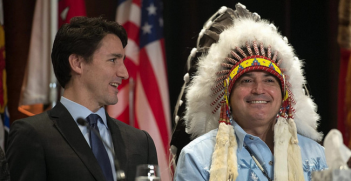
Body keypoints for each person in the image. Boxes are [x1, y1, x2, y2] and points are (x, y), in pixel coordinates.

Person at [172, 3, 327, 181]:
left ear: (284, 95)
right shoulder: (198, 157)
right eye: (246, 80)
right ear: (227, 95)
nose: (259, 89)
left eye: (269, 80)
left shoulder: (315, 156)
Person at [6, 16, 158, 181]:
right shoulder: (32, 134)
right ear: (77, 63)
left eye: (123, 61)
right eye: (113, 60)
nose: (124, 73)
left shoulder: (141, 142)